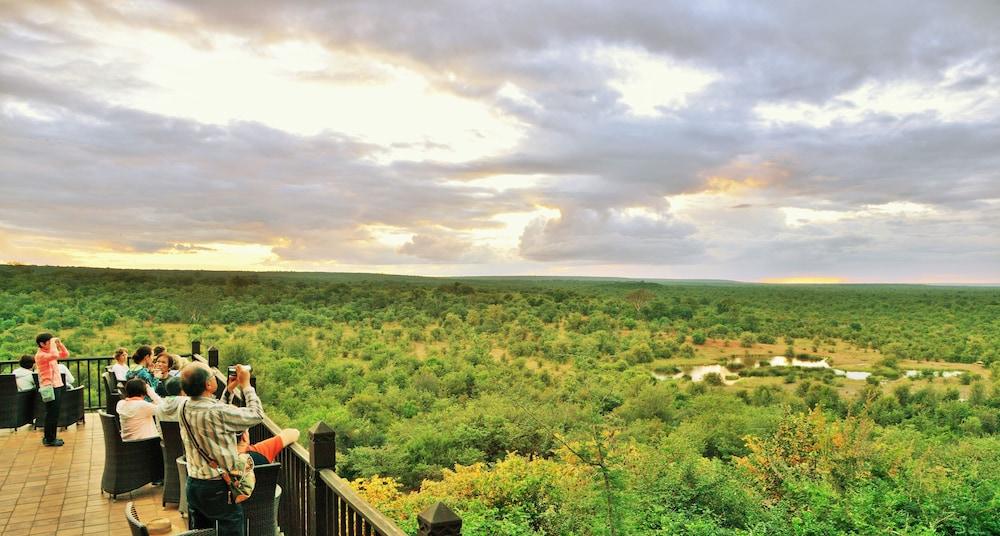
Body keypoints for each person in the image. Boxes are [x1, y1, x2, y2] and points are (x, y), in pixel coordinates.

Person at [158, 363, 262, 535]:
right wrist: (246, 386)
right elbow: (256, 415)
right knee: (231, 528)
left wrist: (228, 391)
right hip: (218, 487)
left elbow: (212, 411)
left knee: (201, 532)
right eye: (213, 376)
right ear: (208, 385)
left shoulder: (183, 406)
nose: (215, 377)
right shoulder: (217, 412)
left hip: (193, 484)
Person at [35, 333, 69, 447]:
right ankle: (49, 439)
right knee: (51, 413)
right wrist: (54, 345)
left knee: (54, 412)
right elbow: (54, 355)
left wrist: (60, 344)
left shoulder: (49, 353)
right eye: (49, 342)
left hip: (56, 385)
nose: (51, 344)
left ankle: (50, 437)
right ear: (42, 344)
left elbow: (65, 354)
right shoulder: (41, 355)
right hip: (49, 386)